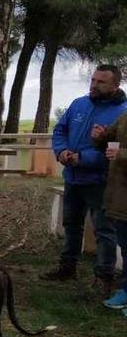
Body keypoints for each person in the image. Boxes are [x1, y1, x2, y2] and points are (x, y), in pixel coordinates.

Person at [42, 64, 127, 296]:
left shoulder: (122, 112)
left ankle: (104, 276)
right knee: (71, 225)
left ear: (115, 85)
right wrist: (61, 152)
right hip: (72, 176)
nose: (94, 85)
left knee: (103, 231)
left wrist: (83, 158)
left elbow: (115, 151)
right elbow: (60, 130)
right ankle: (67, 267)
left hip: (100, 181)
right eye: (93, 80)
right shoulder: (79, 104)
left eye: (101, 82)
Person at [91, 111, 127, 313]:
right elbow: (108, 141)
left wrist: (121, 154)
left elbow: (118, 152)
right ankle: (125, 292)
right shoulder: (125, 116)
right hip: (121, 196)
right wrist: (100, 136)